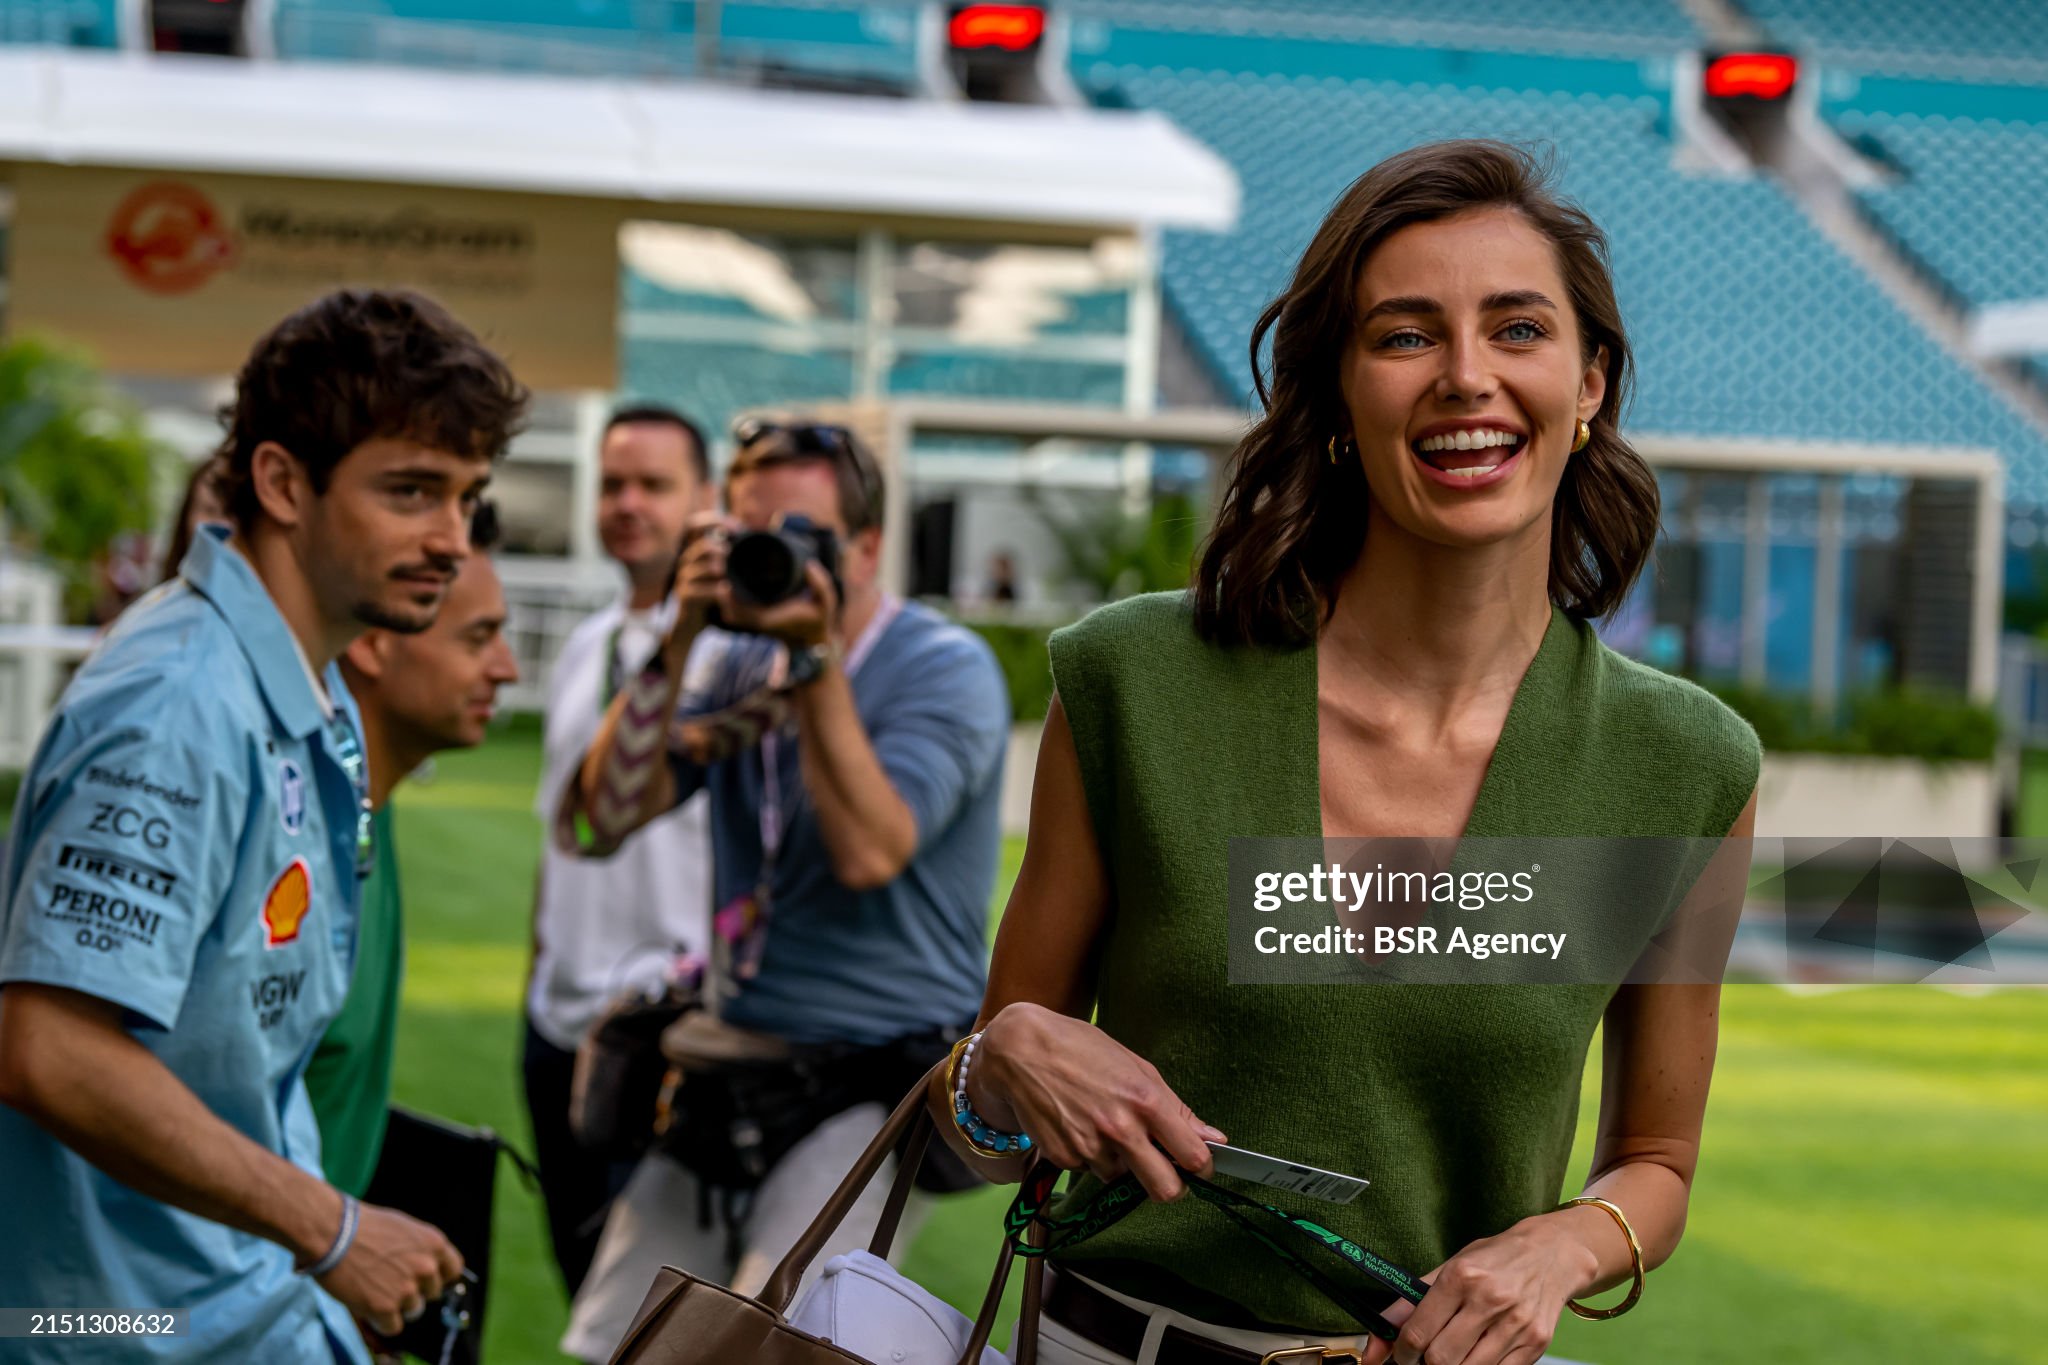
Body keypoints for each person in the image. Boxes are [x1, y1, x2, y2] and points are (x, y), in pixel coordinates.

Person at [927, 140, 1763, 1365]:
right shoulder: (1134, 684)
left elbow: (1657, 1163)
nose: (1466, 379)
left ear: (1588, 385)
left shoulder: (1685, 766)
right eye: (1406, 336)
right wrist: (996, 1061)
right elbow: (982, 1133)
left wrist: (1561, 1246)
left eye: (1517, 329)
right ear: (1336, 391)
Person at [0, 288, 527, 1362]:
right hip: (124, 1331)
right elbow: (49, 1048)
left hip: (242, 1311)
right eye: (412, 491)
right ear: (283, 482)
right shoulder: (179, 706)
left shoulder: (289, 682)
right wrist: (328, 1227)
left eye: (465, 498)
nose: (449, 539)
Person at [557, 418, 1011, 1362]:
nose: (773, 559)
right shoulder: (732, 664)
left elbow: (870, 850)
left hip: (876, 1075)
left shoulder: (943, 666)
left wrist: (813, 663)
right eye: (748, 534)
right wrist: (678, 636)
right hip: (735, 1061)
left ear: (869, 547)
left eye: (802, 538)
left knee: (777, 1338)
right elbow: (600, 819)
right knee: (623, 1339)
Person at [523, 403, 715, 1295]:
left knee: (653, 1314)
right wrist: (536, 971)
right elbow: (556, 839)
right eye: (614, 483)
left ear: (704, 499)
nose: (627, 503)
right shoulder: (585, 644)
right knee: (579, 1288)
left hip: (663, 1036)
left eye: (654, 484)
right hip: (556, 1026)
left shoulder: (726, 655)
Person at [304, 504, 520, 1199]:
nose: (508, 668)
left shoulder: (372, 801)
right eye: (479, 637)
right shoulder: (298, 818)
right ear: (373, 640)